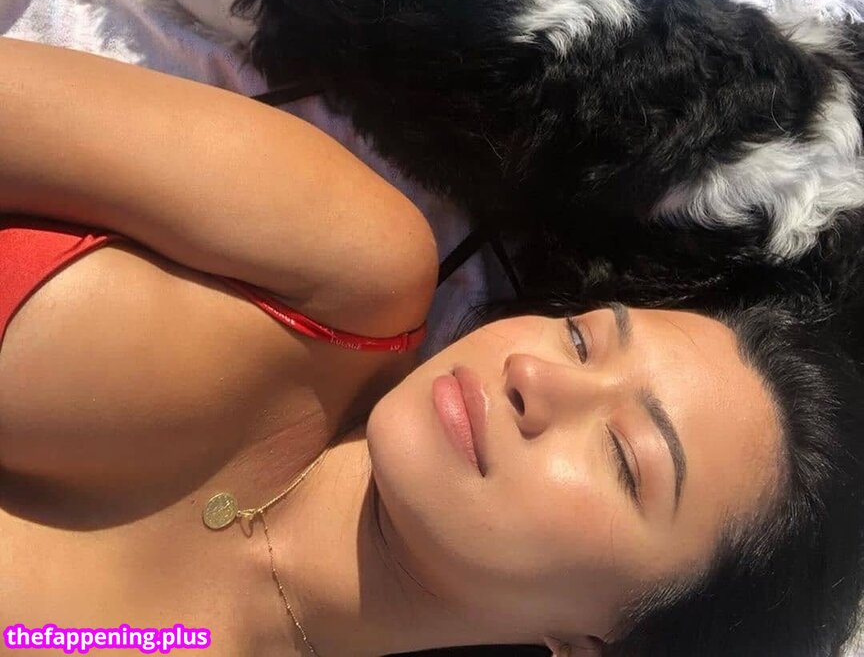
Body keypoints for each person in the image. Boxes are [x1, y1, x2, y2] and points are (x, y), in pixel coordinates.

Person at [1, 37, 862, 657]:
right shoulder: (339, 268)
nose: (534, 376)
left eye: (624, 457)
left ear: (593, 643)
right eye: (581, 338)